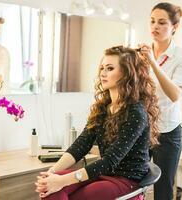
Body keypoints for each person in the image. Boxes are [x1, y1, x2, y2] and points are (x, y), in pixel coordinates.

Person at [35, 46, 159, 200]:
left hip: (126, 180)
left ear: (126, 73)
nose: (103, 73)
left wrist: (61, 181)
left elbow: (109, 161)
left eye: (110, 68)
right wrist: (52, 173)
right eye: (102, 68)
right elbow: (81, 145)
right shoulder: (103, 108)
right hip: (103, 174)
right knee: (49, 188)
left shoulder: (136, 113)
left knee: (70, 194)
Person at [138, 2, 182, 200]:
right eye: (152, 21)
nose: (155, 27)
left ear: (174, 27)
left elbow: (175, 94)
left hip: (168, 132)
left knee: (163, 191)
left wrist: (152, 61)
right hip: (142, 129)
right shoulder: (141, 52)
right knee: (134, 183)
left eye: (162, 23)